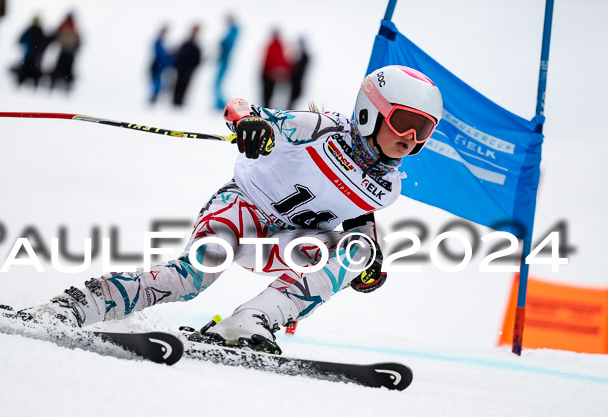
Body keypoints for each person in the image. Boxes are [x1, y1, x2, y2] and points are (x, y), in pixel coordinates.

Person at [26, 65, 443, 354]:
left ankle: (251, 321)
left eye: (423, 128)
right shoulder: (319, 129)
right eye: (403, 120)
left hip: (282, 242)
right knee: (189, 279)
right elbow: (240, 107)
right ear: (371, 110)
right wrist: (249, 125)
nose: (410, 136)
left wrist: (368, 259)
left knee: (360, 250)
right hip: (240, 210)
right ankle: (75, 306)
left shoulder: (387, 185)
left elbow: (358, 218)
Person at [12, 16, 48, 88]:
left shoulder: (30, 30)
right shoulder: (40, 32)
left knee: (24, 72)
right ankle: (35, 87)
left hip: (28, 56)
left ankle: (18, 86)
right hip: (36, 59)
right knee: (34, 73)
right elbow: (44, 44)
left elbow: (21, 40)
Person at [49, 12, 81, 92]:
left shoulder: (65, 25)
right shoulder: (74, 27)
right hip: (69, 51)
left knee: (60, 67)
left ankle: (54, 83)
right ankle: (66, 85)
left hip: (65, 50)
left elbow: (55, 34)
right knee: (67, 69)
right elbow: (78, 41)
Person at [260, 29, 291, 108]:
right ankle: (266, 111)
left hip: (273, 76)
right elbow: (268, 60)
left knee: (272, 95)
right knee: (267, 95)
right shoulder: (272, 46)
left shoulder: (279, 46)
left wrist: (281, 70)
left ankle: (269, 111)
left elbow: (282, 60)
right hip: (268, 75)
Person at [172, 24, 202, 106]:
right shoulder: (188, 44)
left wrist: (192, 67)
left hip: (188, 69)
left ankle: (179, 102)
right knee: (179, 84)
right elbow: (179, 55)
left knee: (183, 86)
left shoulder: (195, 45)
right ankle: (176, 102)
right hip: (182, 68)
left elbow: (197, 59)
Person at [214, 15, 239, 110]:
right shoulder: (231, 31)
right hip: (223, 59)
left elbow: (226, 44)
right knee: (217, 83)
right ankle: (220, 102)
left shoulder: (233, 31)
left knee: (218, 83)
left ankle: (221, 103)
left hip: (225, 59)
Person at [149, 25, 174, 104]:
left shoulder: (163, 43)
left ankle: (155, 99)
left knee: (160, 84)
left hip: (161, 67)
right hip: (157, 66)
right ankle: (153, 99)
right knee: (157, 84)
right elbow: (160, 56)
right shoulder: (158, 42)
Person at [288, 37, 310, 109]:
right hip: (294, 83)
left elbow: (299, 71)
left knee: (292, 101)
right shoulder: (302, 56)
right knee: (291, 101)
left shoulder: (304, 57)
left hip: (296, 83)